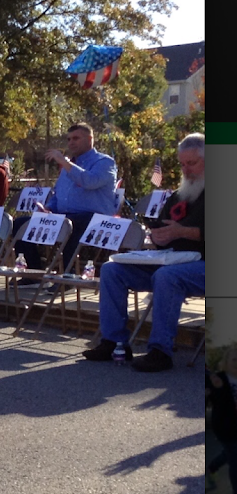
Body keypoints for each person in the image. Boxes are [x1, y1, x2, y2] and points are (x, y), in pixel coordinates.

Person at [83, 133, 205, 372]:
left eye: (192, 163)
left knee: (167, 277)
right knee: (112, 270)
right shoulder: (180, 195)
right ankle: (114, 342)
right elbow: (164, 229)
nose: (186, 170)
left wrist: (183, 232)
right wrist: (159, 236)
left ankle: (160, 351)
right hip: (171, 260)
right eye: (182, 164)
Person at [14, 122, 117, 284]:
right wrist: (48, 208)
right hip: (64, 217)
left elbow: (89, 181)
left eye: (76, 138)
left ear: (90, 139)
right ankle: (33, 274)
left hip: (95, 220)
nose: (71, 143)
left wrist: (65, 162)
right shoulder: (68, 165)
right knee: (20, 224)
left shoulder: (104, 162)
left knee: (71, 226)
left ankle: (68, 280)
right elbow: (59, 193)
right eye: (68, 139)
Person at [207, 347, 237, 494]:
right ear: (226, 362)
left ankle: (213, 466)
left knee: (230, 453)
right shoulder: (218, 379)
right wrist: (216, 389)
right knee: (235, 460)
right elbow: (214, 402)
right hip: (226, 426)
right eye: (234, 359)